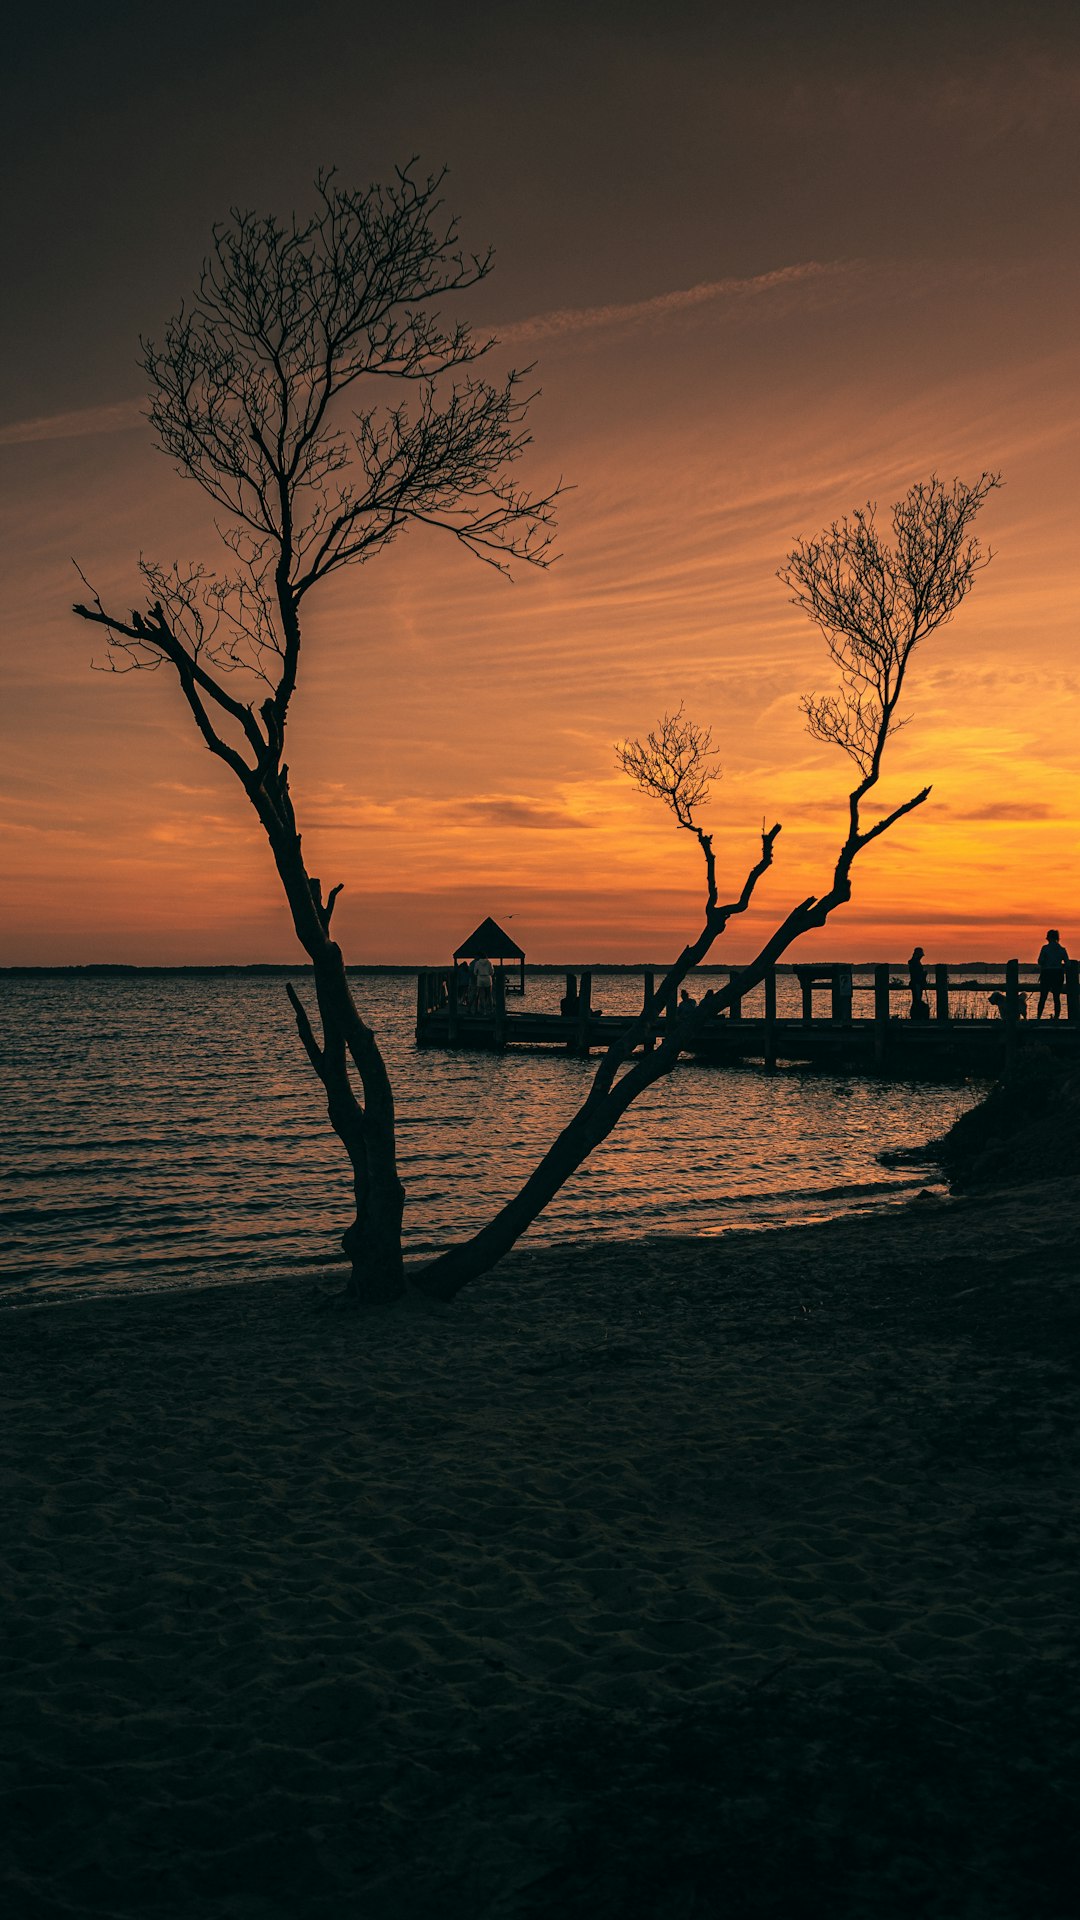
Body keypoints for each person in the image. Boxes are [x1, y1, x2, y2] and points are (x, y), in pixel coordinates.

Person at [1036, 929, 1068, 1021]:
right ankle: (1057, 1017)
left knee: (1043, 997)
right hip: (1058, 973)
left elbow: (1040, 961)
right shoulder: (1062, 950)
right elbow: (1068, 963)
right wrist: (1060, 966)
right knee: (1056, 997)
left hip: (1047, 973)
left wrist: (1046, 963)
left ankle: (1038, 1017)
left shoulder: (1045, 948)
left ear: (1048, 938)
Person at [908, 946, 930, 1021]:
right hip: (916, 984)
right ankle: (916, 1016)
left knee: (917, 1000)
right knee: (917, 1000)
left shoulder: (914, 962)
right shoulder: (915, 963)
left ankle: (916, 1016)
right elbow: (916, 975)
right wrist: (923, 974)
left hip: (917, 983)